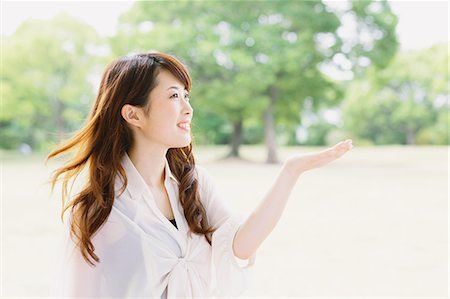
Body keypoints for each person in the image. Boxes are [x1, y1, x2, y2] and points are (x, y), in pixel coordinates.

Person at [48, 52, 353, 298]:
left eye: (186, 95)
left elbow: (241, 245)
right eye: (173, 97)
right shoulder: (98, 208)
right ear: (133, 114)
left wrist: (291, 172)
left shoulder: (193, 183)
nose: (188, 108)